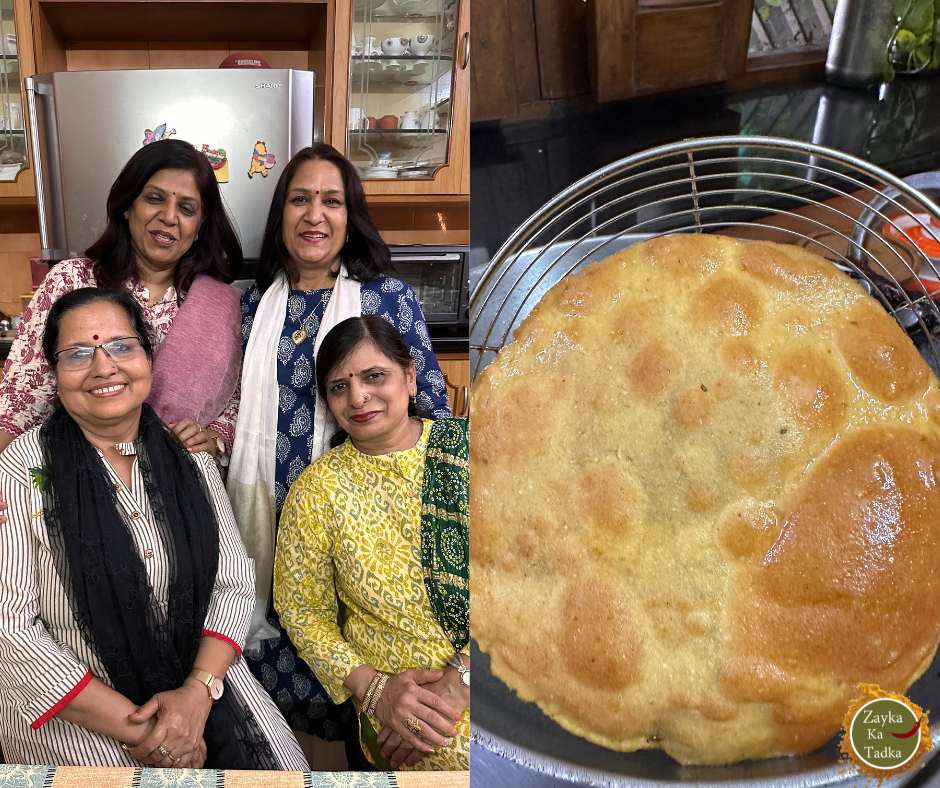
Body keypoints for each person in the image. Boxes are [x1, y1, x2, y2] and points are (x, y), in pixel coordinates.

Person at [0, 288, 307, 770]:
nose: (105, 367)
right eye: (79, 353)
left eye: (122, 346)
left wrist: (196, 695)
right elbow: (10, 630)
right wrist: (152, 731)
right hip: (80, 709)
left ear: (147, 357)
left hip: (200, 682)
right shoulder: (23, 467)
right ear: (55, 376)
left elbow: (233, 580)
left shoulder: (188, 456)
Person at [230, 144, 452, 754]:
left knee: (381, 651)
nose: (315, 214)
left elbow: (430, 407)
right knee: (287, 697)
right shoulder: (250, 306)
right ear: (280, 215)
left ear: (350, 215)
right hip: (269, 521)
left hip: (373, 531)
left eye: (332, 200)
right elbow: (227, 407)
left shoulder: (387, 299)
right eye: (300, 199)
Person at [274, 315, 469, 771]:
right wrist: (375, 691)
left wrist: (463, 679)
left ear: (411, 377)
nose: (357, 397)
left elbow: (537, 582)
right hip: (389, 703)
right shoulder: (317, 489)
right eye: (339, 386)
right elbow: (301, 611)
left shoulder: (474, 451)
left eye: (374, 376)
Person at [0, 138, 244, 462]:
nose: (169, 216)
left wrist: (214, 439)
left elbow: (232, 399)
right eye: (154, 199)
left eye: (186, 208)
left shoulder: (221, 305)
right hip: (77, 475)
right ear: (128, 206)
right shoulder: (71, 281)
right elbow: (20, 406)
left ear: (200, 226)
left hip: (175, 485)